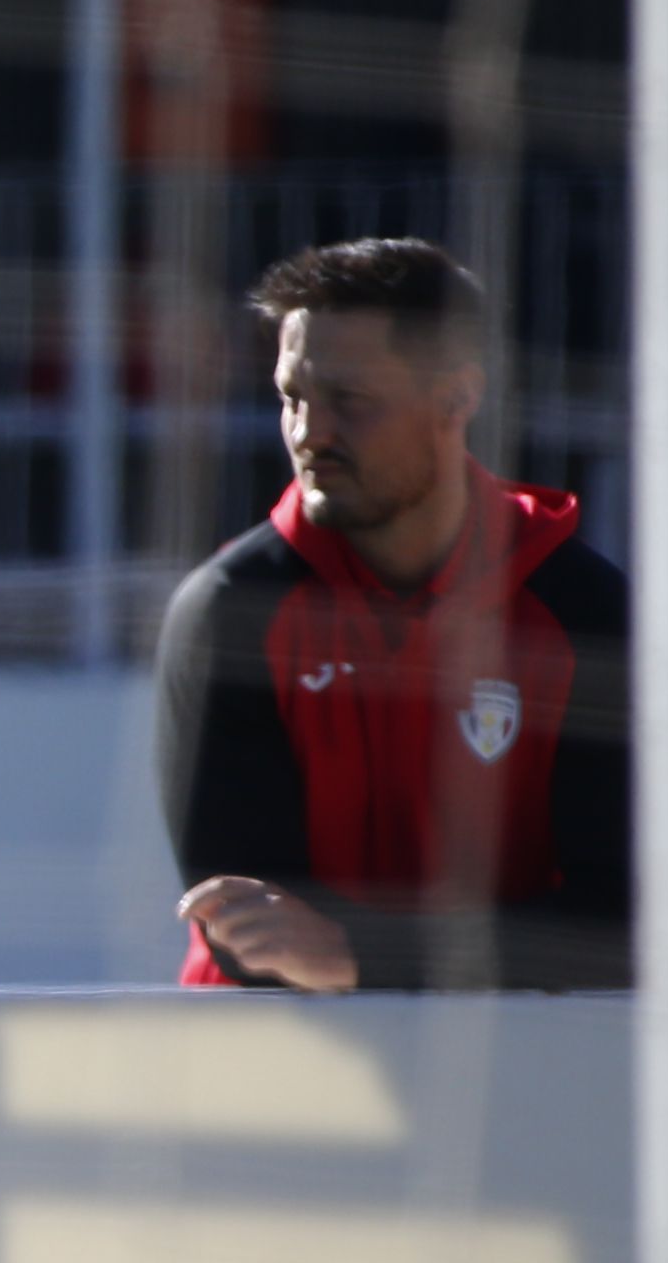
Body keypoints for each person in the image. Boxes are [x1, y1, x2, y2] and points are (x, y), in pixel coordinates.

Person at [163, 235, 631, 994]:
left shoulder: (583, 613)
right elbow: (246, 932)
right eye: (292, 397)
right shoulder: (230, 610)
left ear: (457, 398)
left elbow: (622, 922)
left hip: (527, 1072)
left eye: (349, 400)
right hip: (271, 1070)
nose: (308, 433)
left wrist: (358, 956)